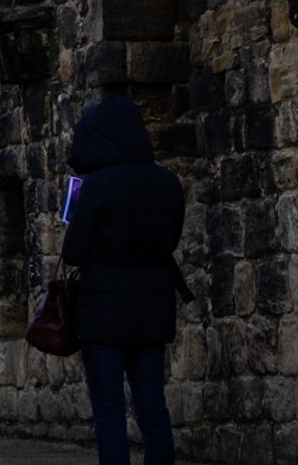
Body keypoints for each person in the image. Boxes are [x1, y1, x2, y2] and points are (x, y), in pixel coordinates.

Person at [61, 98, 186, 465]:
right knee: (153, 406)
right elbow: (171, 240)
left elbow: (74, 251)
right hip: (152, 309)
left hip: (103, 313)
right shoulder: (168, 183)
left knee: (110, 413)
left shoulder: (96, 186)